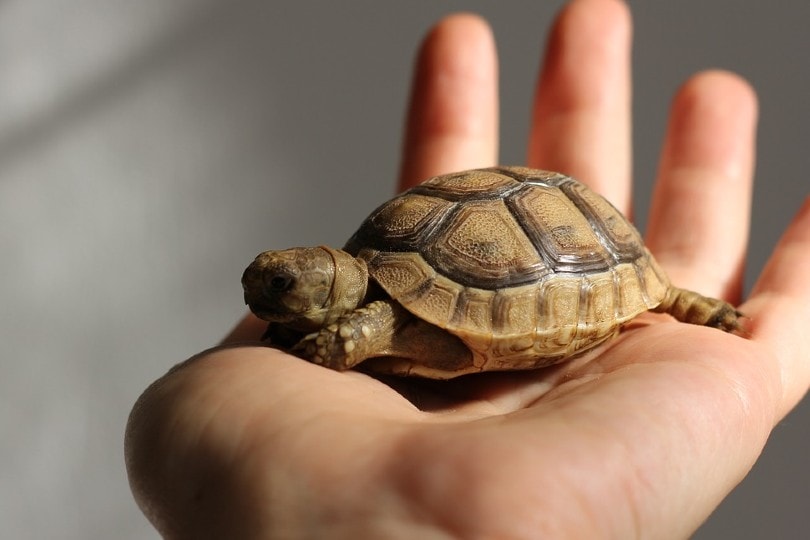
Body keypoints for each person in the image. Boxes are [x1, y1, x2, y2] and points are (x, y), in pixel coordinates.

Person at [125, 0, 810, 537]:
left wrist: (333, 345)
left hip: (569, 245)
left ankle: (685, 300)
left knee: (656, 296)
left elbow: (361, 334)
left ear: (329, 284)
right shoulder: (374, 265)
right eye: (268, 281)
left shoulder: (366, 319)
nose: (261, 292)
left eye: (280, 286)